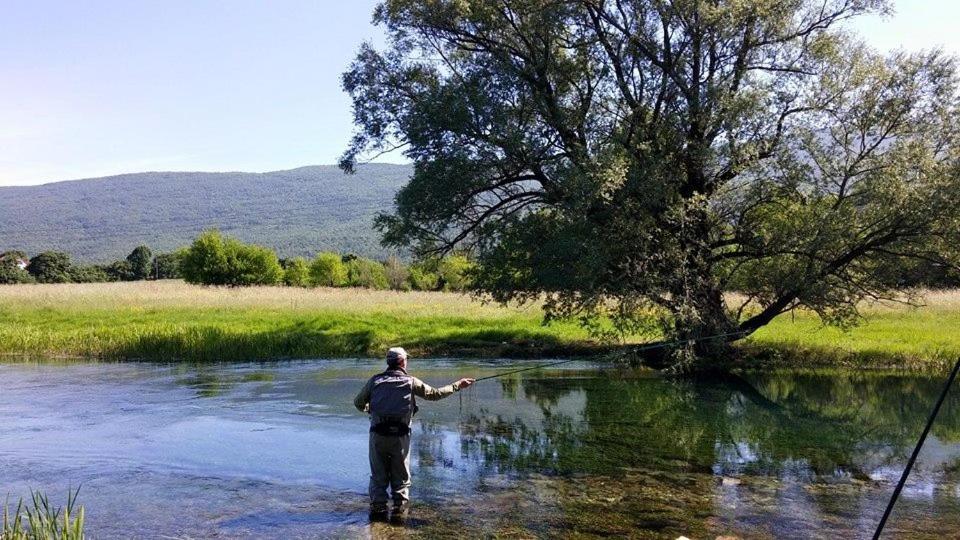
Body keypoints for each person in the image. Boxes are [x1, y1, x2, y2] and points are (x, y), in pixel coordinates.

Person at [354, 346, 474, 520]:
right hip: (400, 438)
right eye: (406, 360)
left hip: (377, 436)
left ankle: (377, 517)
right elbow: (435, 394)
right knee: (401, 480)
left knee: (378, 478)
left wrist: (370, 410)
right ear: (402, 362)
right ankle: (399, 519)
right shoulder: (411, 382)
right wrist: (457, 385)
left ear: (389, 362)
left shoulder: (374, 381)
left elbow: (358, 403)